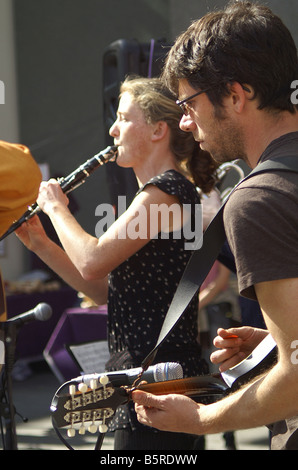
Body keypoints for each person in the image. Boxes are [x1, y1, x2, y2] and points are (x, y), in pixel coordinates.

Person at [16, 76, 219, 450]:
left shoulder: (167, 190)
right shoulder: (159, 192)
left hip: (160, 384)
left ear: (158, 130)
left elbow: (92, 261)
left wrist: (56, 207)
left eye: (123, 118)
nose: (112, 129)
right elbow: (101, 288)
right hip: (145, 383)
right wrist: (41, 244)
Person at [132, 1, 298, 450]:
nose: (186, 122)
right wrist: (274, 343)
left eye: (188, 104)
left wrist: (203, 418)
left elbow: (297, 378)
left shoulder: (259, 199)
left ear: (235, 95)